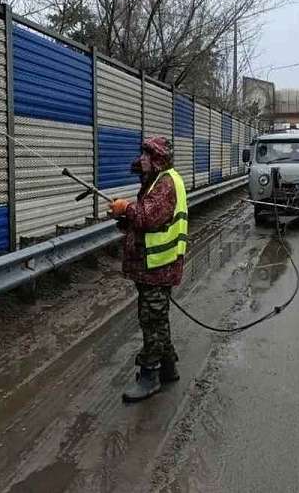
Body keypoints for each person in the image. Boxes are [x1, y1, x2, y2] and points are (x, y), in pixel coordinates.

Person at [108, 136, 188, 403]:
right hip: (153, 266)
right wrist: (125, 214)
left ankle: (150, 376)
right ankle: (168, 368)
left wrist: (127, 208)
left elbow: (146, 217)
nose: (142, 161)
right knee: (158, 316)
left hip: (159, 266)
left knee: (151, 319)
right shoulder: (157, 180)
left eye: (146, 156)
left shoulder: (166, 183)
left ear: (157, 159)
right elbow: (143, 219)